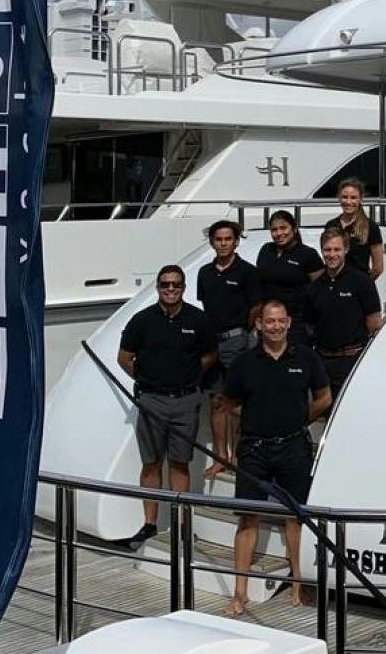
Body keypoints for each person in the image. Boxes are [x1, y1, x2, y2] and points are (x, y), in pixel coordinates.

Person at [223, 299, 331, 617]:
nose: (276, 326)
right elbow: (228, 403)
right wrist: (257, 418)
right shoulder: (244, 362)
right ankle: (239, 592)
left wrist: (299, 420)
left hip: (293, 446)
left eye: (281, 321)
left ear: (288, 323)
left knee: (295, 518)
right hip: (254, 448)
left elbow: (324, 397)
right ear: (259, 325)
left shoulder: (306, 358)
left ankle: (298, 582)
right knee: (247, 518)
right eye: (270, 321)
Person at [117, 264, 217, 548]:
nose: (170, 289)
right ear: (157, 287)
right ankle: (149, 524)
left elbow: (210, 355)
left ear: (183, 288)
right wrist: (148, 379)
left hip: (186, 400)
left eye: (175, 284)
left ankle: (180, 526)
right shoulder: (142, 321)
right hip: (152, 401)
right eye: (165, 284)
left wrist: (187, 375)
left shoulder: (198, 320)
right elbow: (124, 358)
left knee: (180, 462)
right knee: (150, 463)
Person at [195, 219, 261, 478]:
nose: (223, 243)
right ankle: (221, 456)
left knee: (237, 401)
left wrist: (245, 336)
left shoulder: (247, 271)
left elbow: (256, 306)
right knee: (217, 401)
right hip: (211, 343)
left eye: (227, 239)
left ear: (235, 242)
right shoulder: (205, 273)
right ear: (212, 242)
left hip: (237, 341)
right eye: (218, 239)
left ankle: (237, 456)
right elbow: (207, 307)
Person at [307, 227, 382, 399]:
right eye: (327, 250)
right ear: (321, 251)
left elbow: (374, 324)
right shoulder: (314, 287)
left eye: (337, 249)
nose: (332, 254)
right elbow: (309, 327)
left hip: (351, 360)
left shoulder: (362, 282)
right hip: (322, 362)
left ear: (346, 250)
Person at [254, 210, 323, 342]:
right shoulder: (266, 250)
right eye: (274, 229)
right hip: (268, 320)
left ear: (294, 228)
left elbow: (319, 289)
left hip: (296, 322)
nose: (279, 233)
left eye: (283, 228)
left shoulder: (307, 254)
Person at [324, 177, 384, 280]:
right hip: (336, 283)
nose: (348, 202)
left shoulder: (371, 227)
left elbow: (378, 268)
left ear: (361, 198)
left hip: (360, 285)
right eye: (344, 197)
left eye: (353, 197)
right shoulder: (331, 225)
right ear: (339, 197)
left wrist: (364, 284)